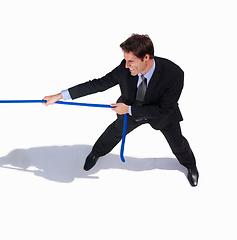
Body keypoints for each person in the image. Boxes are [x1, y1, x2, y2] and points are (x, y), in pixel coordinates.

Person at [43, 34, 199, 187]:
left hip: (160, 114)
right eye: (125, 60)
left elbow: (164, 109)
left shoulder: (174, 73)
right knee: (113, 133)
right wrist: (59, 96)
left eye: (130, 61)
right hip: (128, 110)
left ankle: (190, 165)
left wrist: (130, 109)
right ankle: (97, 152)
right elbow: (98, 84)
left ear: (146, 57)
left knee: (178, 142)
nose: (126, 66)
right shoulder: (124, 68)